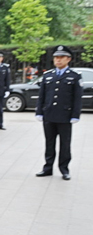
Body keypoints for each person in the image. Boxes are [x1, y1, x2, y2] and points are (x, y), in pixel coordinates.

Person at [35, 45, 83, 181]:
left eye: (61, 57)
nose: (58, 60)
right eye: (56, 57)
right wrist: (39, 112)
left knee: (65, 144)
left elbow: (77, 98)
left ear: (68, 59)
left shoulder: (74, 76)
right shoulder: (48, 75)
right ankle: (47, 168)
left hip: (65, 116)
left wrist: (75, 115)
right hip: (49, 114)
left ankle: (64, 169)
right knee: (49, 143)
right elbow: (42, 96)